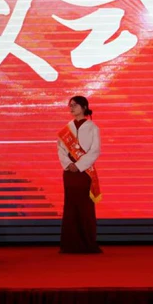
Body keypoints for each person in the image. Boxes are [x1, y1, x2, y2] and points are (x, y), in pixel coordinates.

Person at [57, 95, 102, 254]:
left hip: (84, 173)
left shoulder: (93, 128)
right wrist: (69, 164)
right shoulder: (66, 129)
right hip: (69, 173)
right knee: (70, 206)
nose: (72, 108)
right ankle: (70, 244)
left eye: (75, 105)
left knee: (85, 207)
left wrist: (79, 165)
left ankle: (87, 243)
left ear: (84, 107)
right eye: (70, 105)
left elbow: (95, 151)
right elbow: (61, 150)